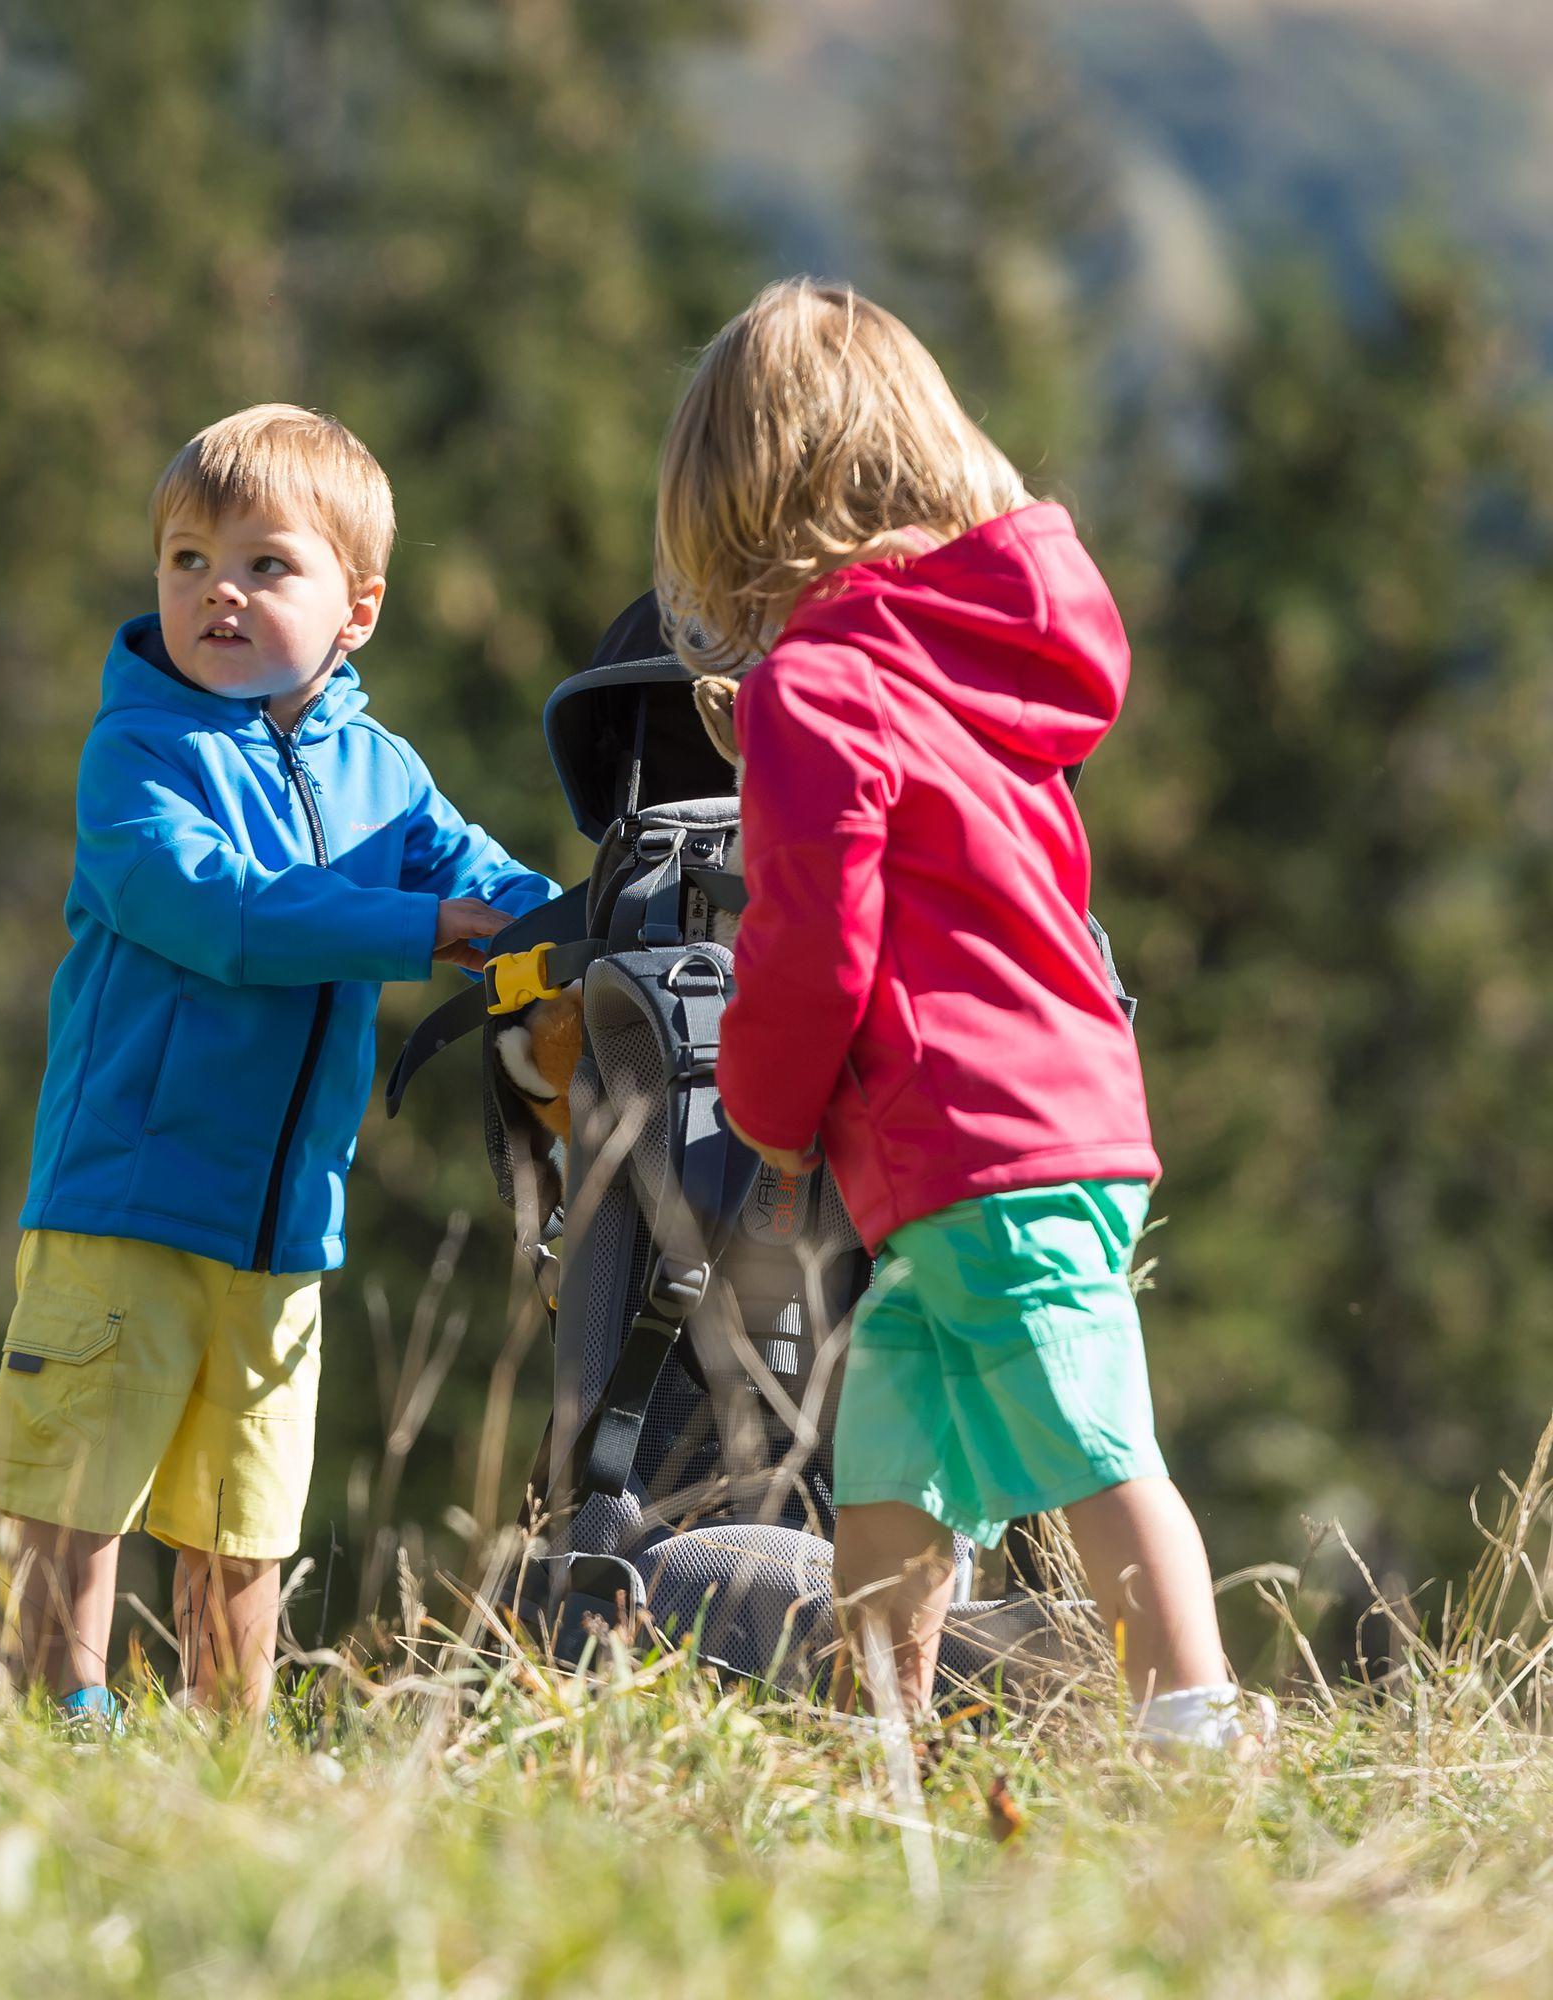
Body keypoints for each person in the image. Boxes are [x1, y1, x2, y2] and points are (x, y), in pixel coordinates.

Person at [653, 279, 1257, 1750]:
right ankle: (887, 1731)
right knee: (892, 1456)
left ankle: (1199, 1727)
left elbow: (812, 943)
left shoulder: (823, 683)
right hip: (1044, 1125)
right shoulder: (980, 668)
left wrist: (764, 1114)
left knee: (1088, 1438)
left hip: (975, 1141)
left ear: (739, 510)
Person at [0, 403, 558, 1720]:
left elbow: (490, 886)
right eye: (187, 561)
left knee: (245, 1520)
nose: (218, 592)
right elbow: (220, 913)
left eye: (264, 565)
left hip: (286, 1227)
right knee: (73, 1495)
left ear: (357, 609)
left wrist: (582, 927)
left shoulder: (383, 773)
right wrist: (424, 930)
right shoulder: (136, 753)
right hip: (125, 1198)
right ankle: (51, 1723)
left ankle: (228, 1749)